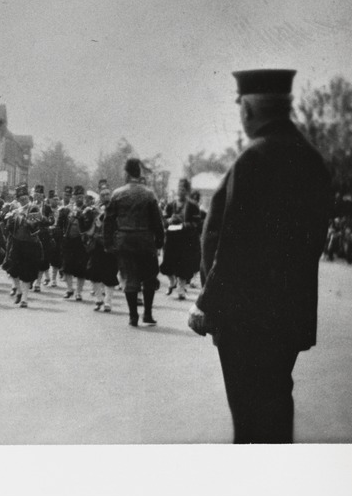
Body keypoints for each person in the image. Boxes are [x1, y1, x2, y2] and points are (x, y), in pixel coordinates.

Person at [188, 69, 332, 444]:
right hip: (286, 314)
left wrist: (206, 303)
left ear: (248, 109)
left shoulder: (257, 157)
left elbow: (235, 246)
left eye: (240, 108)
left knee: (251, 419)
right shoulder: (310, 158)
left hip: (247, 318)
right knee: (273, 408)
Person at [104, 158, 165, 327]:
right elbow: (157, 221)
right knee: (149, 276)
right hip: (145, 239)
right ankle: (148, 314)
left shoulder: (117, 194)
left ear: (126, 173)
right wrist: (160, 240)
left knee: (128, 276)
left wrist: (108, 243)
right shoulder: (149, 193)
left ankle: (133, 316)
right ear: (139, 173)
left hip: (125, 239)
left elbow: (108, 221)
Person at [159, 178, 203, 300]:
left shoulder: (193, 206)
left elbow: (197, 223)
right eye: (179, 188)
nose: (181, 191)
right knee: (167, 264)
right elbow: (163, 219)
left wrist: (185, 225)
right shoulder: (170, 205)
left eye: (183, 189)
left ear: (187, 191)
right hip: (172, 238)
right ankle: (172, 281)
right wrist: (169, 220)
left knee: (183, 265)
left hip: (186, 239)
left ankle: (181, 288)